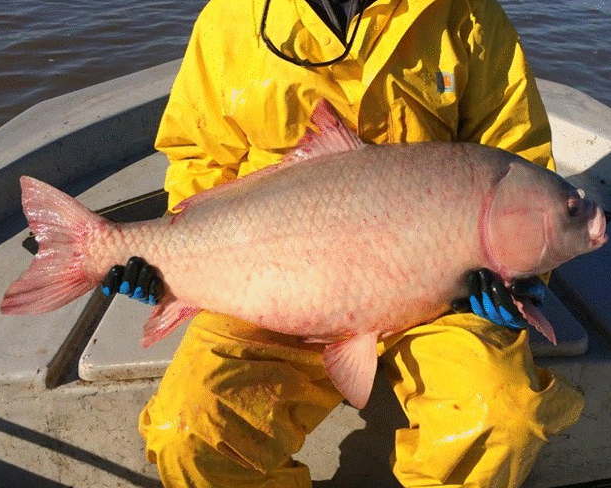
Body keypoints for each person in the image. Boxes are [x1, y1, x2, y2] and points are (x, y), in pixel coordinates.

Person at [107, 0, 584, 485]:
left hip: (439, 298)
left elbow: (519, 165)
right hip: (267, 289)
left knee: (502, 415)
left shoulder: (468, 16)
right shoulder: (230, 18)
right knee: (187, 433)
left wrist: (521, 278)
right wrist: (171, 263)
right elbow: (199, 161)